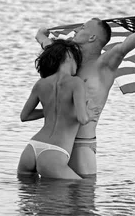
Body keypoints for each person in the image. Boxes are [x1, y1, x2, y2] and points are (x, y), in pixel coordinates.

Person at [32, 15, 135, 177]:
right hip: (55, 143)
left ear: (92, 37)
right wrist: (40, 35)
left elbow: (123, 48)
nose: (75, 30)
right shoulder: (66, 60)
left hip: (81, 145)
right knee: (49, 198)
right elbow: (48, 45)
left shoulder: (104, 64)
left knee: (83, 196)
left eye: (82, 28)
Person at [17, 39, 101, 180]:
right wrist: (89, 114)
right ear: (68, 56)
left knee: (29, 198)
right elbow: (82, 118)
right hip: (54, 152)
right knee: (83, 187)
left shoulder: (41, 84)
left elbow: (24, 116)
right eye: (76, 59)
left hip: (31, 149)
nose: (78, 65)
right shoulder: (76, 83)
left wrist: (52, 109)